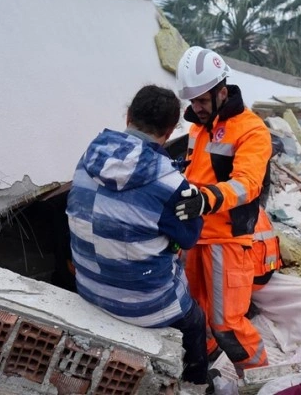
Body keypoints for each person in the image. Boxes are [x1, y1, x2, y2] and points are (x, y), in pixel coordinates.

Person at [65, 85, 208, 384]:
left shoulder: (88, 156)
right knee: (195, 323)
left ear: (128, 115)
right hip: (143, 307)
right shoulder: (172, 184)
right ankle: (197, 385)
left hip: (88, 287)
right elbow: (189, 238)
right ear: (170, 131)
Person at [174, 46, 271, 375]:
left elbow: (247, 184)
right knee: (195, 316)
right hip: (195, 237)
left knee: (226, 324)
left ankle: (263, 380)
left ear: (222, 92)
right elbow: (191, 174)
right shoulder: (197, 129)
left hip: (227, 241)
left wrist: (204, 200)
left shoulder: (252, 130)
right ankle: (205, 370)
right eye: (193, 101)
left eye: (202, 100)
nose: (196, 108)